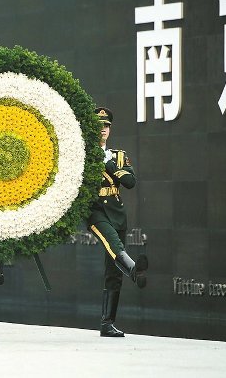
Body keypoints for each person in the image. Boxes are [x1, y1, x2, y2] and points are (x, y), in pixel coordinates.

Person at [87, 107, 148, 338]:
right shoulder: (84, 154)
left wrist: (111, 165)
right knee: (114, 243)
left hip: (117, 213)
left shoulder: (119, 156)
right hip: (95, 211)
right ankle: (133, 267)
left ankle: (107, 323)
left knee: (113, 272)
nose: (103, 129)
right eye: (99, 125)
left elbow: (131, 182)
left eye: (107, 125)